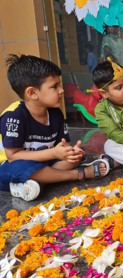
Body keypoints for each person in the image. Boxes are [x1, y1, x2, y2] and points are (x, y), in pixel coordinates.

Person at [0, 54, 110, 201]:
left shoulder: (55, 113)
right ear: (32, 93)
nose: (61, 90)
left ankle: (41, 181)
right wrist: (55, 153)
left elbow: (62, 145)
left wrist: (71, 152)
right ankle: (77, 174)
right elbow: (13, 156)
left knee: (78, 156)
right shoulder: (13, 116)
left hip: (44, 163)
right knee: (21, 168)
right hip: (10, 165)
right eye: (54, 87)